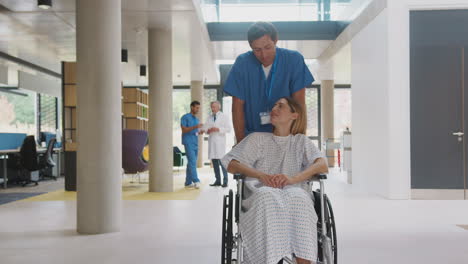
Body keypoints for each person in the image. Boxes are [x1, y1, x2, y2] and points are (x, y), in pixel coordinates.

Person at [221, 97, 328, 264]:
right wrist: (260, 175)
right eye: (274, 106)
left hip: (294, 192)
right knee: (267, 196)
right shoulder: (257, 139)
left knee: (299, 197)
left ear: (294, 115)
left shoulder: (301, 142)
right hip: (260, 195)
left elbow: (322, 164)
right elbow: (231, 163)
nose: (274, 109)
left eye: (281, 106)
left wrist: (294, 179)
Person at [223, 21, 315, 143]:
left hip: (286, 137)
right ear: (250, 47)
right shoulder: (243, 63)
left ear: (275, 40)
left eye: (267, 47)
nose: (264, 55)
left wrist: (298, 141)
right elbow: (237, 107)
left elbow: (299, 105)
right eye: (257, 50)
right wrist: (241, 144)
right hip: (252, 137)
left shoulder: (293, 60)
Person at [200, 101, 232, 187]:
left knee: (222, 162)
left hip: (220, 141)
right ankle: (218, 180)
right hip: (212, 141)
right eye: (211, 107)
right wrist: (207, 130)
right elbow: (205, 127)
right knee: (214, 162)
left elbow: (229, 129)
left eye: (214, 107)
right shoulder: (210, 117)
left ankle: (225, 181)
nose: (212, 109)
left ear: (219, 107)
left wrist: (218, 129)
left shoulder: (224, 116)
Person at [180, 101, 203, 189]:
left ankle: (188, 182)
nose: (198, 110)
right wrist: (196, 127)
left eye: (199, 108)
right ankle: (196, 180)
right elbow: (184, 130)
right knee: (192, 162)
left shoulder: (196, 119)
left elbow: (195, 132)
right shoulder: (185, 117)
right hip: (188, 142)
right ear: (191, 107)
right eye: (197, 108)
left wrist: (200, 132)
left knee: (191, 163)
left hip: (195, 142)